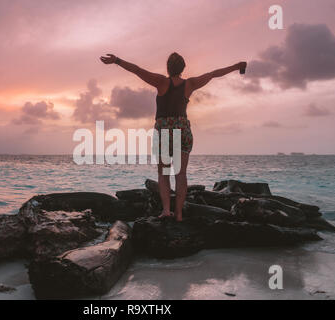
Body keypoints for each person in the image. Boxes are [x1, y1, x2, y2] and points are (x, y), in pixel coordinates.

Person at [100, 52, 247, 222]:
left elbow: (137, 70)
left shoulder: (162, 82)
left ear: (168, 68)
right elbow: (213, 74)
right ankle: (179, 214)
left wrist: (117, 60)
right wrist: (237, 66)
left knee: (163, 173)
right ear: (183, 68)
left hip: (164, 129)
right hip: (182, 128)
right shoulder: (190, 84)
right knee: (181, 174)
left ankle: (166, 211)